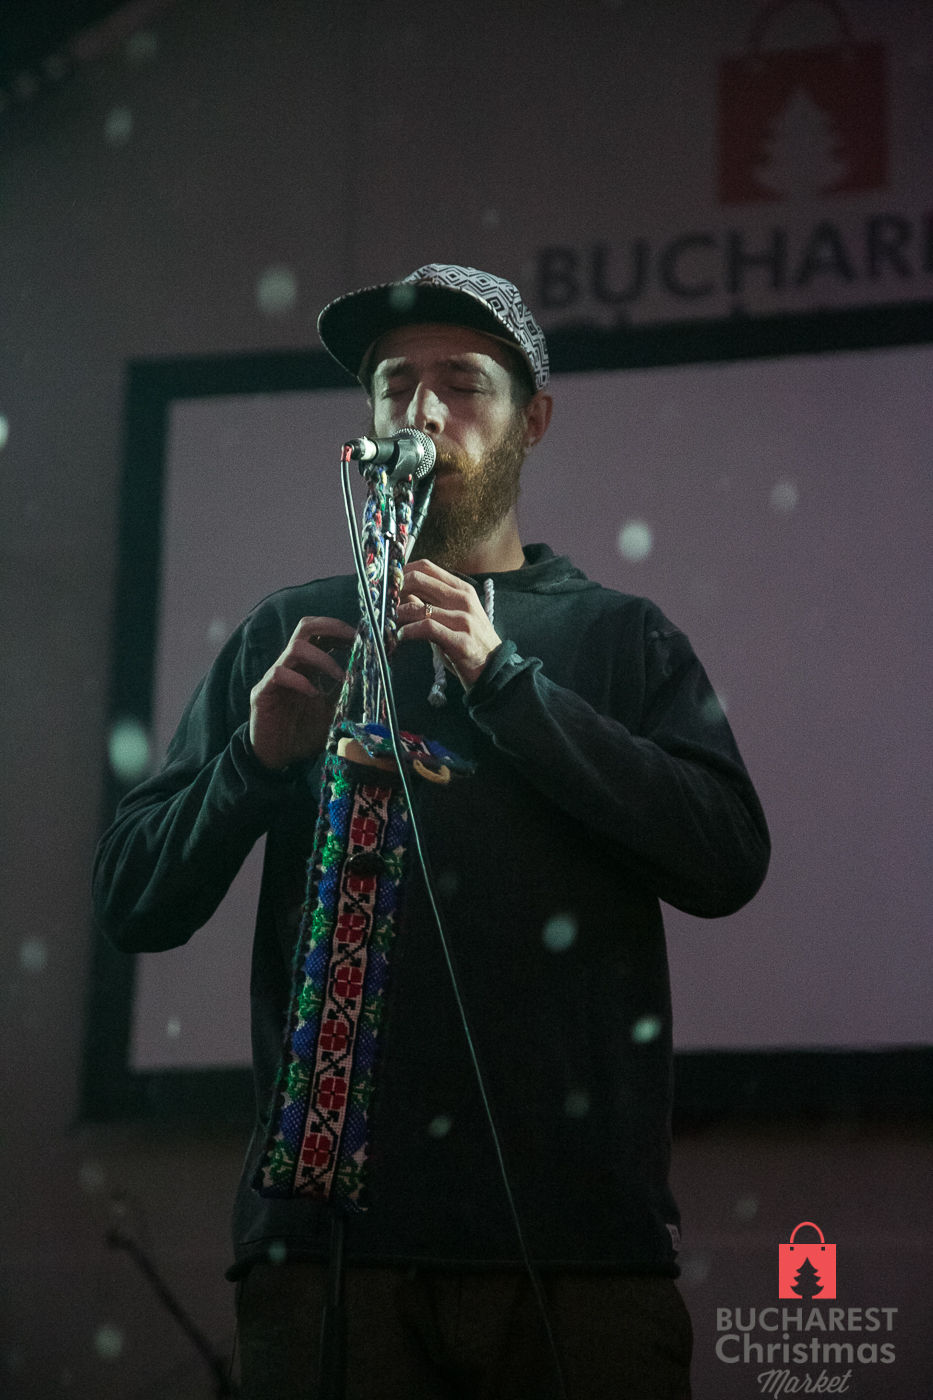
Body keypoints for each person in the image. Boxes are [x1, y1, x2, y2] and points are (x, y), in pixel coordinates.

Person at [93, 263, 770, 1399]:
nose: (423, 409)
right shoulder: (290, 631)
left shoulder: (620, 638)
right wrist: (254, 763)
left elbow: (726, 859)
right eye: (395, 384)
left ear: (530, 420)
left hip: (576, 1252)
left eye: (463, 382)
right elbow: (132, 900)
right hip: (328, 1250)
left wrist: (510, 685)